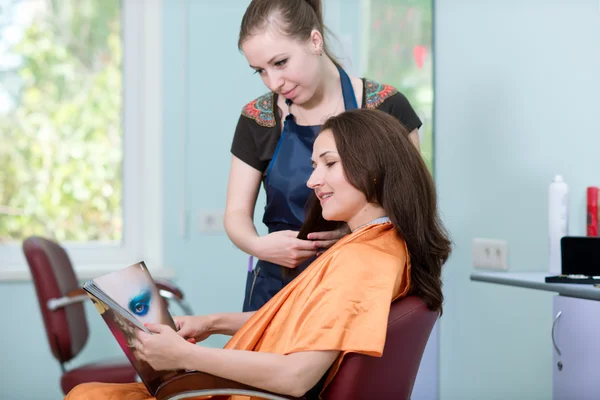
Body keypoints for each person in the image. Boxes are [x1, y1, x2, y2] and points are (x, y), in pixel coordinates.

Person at [64, 108, 451, 400]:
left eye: (329, 164)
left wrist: (186, 355)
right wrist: (211, 323)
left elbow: (296, 375)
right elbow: (303, 323)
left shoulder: (363, 263)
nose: (312, 180)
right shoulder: (374, 246)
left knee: (85, 395)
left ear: (375, 169)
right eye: (314, 165)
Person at [226, 0, 425, 312]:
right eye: (260, 71)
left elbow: (414, 208)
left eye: (280, 63)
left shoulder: (386, 106)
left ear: (315, 41)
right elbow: (236, 215)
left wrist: (351, 236)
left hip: (358, 286)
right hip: (275, 289)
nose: (274, 83)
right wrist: (260, 246)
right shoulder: (258, 119)